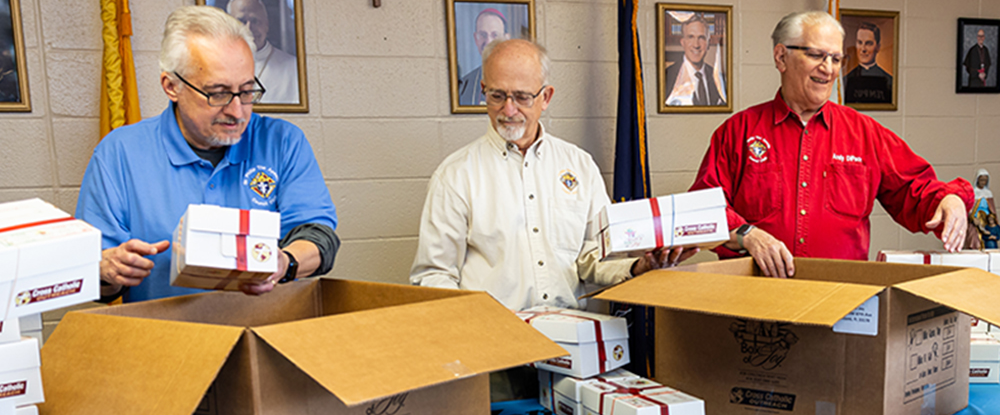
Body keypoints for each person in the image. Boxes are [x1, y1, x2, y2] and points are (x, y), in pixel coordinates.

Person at [76, 5, 338, 303]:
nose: (237, 111)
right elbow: (97, 284)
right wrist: (109, 272)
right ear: (171, 86)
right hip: (165, 339)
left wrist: (285, 263)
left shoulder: (282, 142)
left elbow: (319, 237)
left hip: (265, 332)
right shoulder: (118, 154)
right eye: (218, 93)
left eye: (247, 91)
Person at [411, 39, 694, 311]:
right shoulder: (455, 176)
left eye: (522, 97)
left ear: (545, 97)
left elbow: (594, 255)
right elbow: (434, 276)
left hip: (571, 341)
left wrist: (638, 266)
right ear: (484, 90)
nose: (508, 110)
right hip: (494, 343)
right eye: (497, 95)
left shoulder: (579, 165)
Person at [688, 11, 972, 278]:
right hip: (755, 302)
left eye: (836, 59)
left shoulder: (865, 133)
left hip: (841, 303)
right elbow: (701, 211)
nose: (828, 69)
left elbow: (913, 190)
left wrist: (950, 199)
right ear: (781, 57)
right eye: (816, 55)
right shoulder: (738, 132)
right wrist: (748, 234)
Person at [227, 0, 299, 104]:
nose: (248, 28)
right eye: (241, 22)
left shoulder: (293, 68)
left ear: (266, 25)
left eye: (255, 21)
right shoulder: (216, 66)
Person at [665, 14, 725, 106]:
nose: (696, 45)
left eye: (701, 38)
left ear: (708, 43)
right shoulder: (666, 76)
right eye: (690, 37)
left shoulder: (719, 79)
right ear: (683, 42)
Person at [457, 8, 508, 106]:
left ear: (506, 39)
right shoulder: (465, 85)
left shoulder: (519, 79)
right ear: (476, 39)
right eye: (483, 35)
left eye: (495, 35)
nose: (488, 42)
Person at [844, 22, 892, 103]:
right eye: (860, 43)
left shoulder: (889, 81)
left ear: (878, 47)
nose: (863, 49)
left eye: (868, 43)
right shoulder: (846, 80)